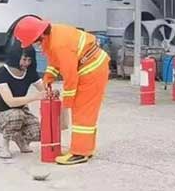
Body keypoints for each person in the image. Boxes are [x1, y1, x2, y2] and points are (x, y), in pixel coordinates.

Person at [14, 17, 110, 166]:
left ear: (40, 35)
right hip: (90, 64)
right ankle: (85, 149)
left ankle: (79, 153)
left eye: (34, 41)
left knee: (82, 112)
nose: (34, 45)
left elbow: (70, 76)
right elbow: (55, 59)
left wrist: (67, 102)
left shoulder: (59, 44)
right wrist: (49, 76)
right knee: (84, 112)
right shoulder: (52, 35)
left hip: (91, 70)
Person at [0, 45, 49, 159]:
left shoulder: (30, 72)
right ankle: (4, 145)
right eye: (24, 59)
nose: (26, 63)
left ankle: (21, 140)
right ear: (15, 57)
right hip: (0, 114)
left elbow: (43, 88)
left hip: (22, 112)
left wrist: (50, 92)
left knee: (39, 132)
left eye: (29, 60)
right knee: (16, 115)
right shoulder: (1, 73)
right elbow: (10, 102)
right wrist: (35, 97)